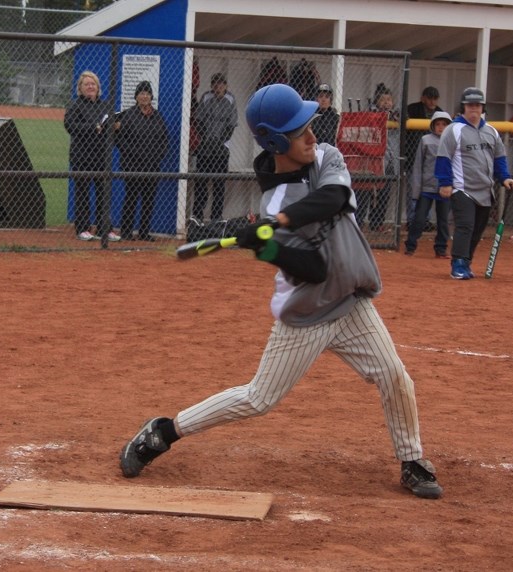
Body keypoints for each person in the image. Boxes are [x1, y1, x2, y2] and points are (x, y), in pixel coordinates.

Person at [119, 83, 444, 500]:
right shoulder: (275, 201)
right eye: (299, 131)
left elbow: (334, 198)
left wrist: (279, 225)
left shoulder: (326, 156)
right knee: (258, 399)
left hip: (351, 301)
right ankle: (163, 431)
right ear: (275, 141)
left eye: (309, 125)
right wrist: (267, 246)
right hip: (307, 311)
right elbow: (312, 268)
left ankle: (412, 459)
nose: (311, 135)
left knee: (395, 375)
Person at [435, 87, 513, 279]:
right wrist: (445, 183)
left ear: (483, 108)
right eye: (470, 105)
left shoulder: (491, 132)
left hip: (485, 189)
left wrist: (504, 177)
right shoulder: (453, 130)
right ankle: (458, 263)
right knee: (465, 225)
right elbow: (443, 158)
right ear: (463, 107)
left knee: (479, 228)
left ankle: (467, 261)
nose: (474, 108)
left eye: (478, 105)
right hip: (462, 188)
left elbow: (499, 158)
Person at [64, 70, 121, 242]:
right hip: (82, 157)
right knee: (82, 194)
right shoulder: (76, 106)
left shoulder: (105, 105)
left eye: (93, 84)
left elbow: (108, 128)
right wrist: (92, 127)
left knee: (103, 194)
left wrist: (114, 126)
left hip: (101, 156)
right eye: (87, 84)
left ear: (98, 87)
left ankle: (105, 229)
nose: (90, 86)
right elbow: (70, 126)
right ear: (80, 88)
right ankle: (83, 228)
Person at [114, 81, 169, 241]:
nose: (144, 96)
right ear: (136, 97)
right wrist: (134, 154)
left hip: (152, 166)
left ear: (151, 96)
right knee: (131, 198)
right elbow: (119, 140)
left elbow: (164, 140)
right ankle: (126, 232)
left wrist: (157, 156)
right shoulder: (128, 115)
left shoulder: (157, 116)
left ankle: (144, 232)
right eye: (141, 93)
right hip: (132, 165)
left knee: (148, 200)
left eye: (147, 93)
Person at [404, 111, 453, 257]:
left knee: (443, 220)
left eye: (444, 124)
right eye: (437, 124)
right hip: (426, 187)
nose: (440, 127)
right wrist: (416, 190)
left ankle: (441, 249)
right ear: (432, 125)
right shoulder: (425, 140)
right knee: (419, 218)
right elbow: (418, 165)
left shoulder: (453, 142)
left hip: (444, 187)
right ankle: (411, 246)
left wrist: (452, 185)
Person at [192, 73, 238, 222]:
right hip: (205, 147)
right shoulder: (206, 97)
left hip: (221, 148)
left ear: (226, 86)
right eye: (215, 84)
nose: (218, 87)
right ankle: (197, 216)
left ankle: (216, 218)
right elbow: (198, 121)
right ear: (211, 86)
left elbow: (231, 125)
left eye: (221, 84)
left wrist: (219, 142)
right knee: (201, 184)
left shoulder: (230, 99)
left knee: (219, 185)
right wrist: (205, 139)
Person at [356, 83, 400, 232]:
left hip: (388, 159)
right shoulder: (370, 112)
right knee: (365, 191)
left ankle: (377, 223)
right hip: (371, 159)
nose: (387, 103)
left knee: (384, 192)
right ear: (377, 101)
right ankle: (359, 222)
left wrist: (393, 114)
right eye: (383, 100)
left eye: (389, 100)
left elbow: (402, 117)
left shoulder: (395, 115)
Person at [405, 86, 444, 226]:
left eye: (435, 98)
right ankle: (412, 220)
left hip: (433, 159)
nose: (432, 101)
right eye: (429, 98)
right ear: (423, 98)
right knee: (413, 189)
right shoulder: (413, 109)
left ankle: (425, 221)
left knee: (430, 191)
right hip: (413, 155)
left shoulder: (440, 113)